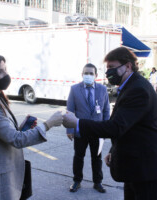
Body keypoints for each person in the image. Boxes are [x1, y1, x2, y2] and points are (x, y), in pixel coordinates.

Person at [63, 47, 157, 200]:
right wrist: (114, 150)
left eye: (112, 67)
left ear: (128, 66)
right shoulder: (129, 86)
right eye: (107, 68)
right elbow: (126, 125)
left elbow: (115, 127)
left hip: (146, 169)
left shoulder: (138, 89)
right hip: (136, 167)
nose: (108, 73)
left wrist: (78, 123)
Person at [0, 53, 63, 200]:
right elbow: (16, 140)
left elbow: (7, 135)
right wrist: (48, 124)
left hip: (2, 174)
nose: (6, 75)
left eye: (5, 70)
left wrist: (21, 129)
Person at [66, 63, 110, 193]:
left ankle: (98, 182)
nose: (88, 75)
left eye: (91, 73)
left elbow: (106, 110)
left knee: (97, 157)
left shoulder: (102, 89)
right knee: (78, 156)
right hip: (80, 130)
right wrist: (69, 129)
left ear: (96, 75)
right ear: (82, 74)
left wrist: (106, 128)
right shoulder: (74, 89)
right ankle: (77, 181)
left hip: (97, 130)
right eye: (86, 73)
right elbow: (70, 110)